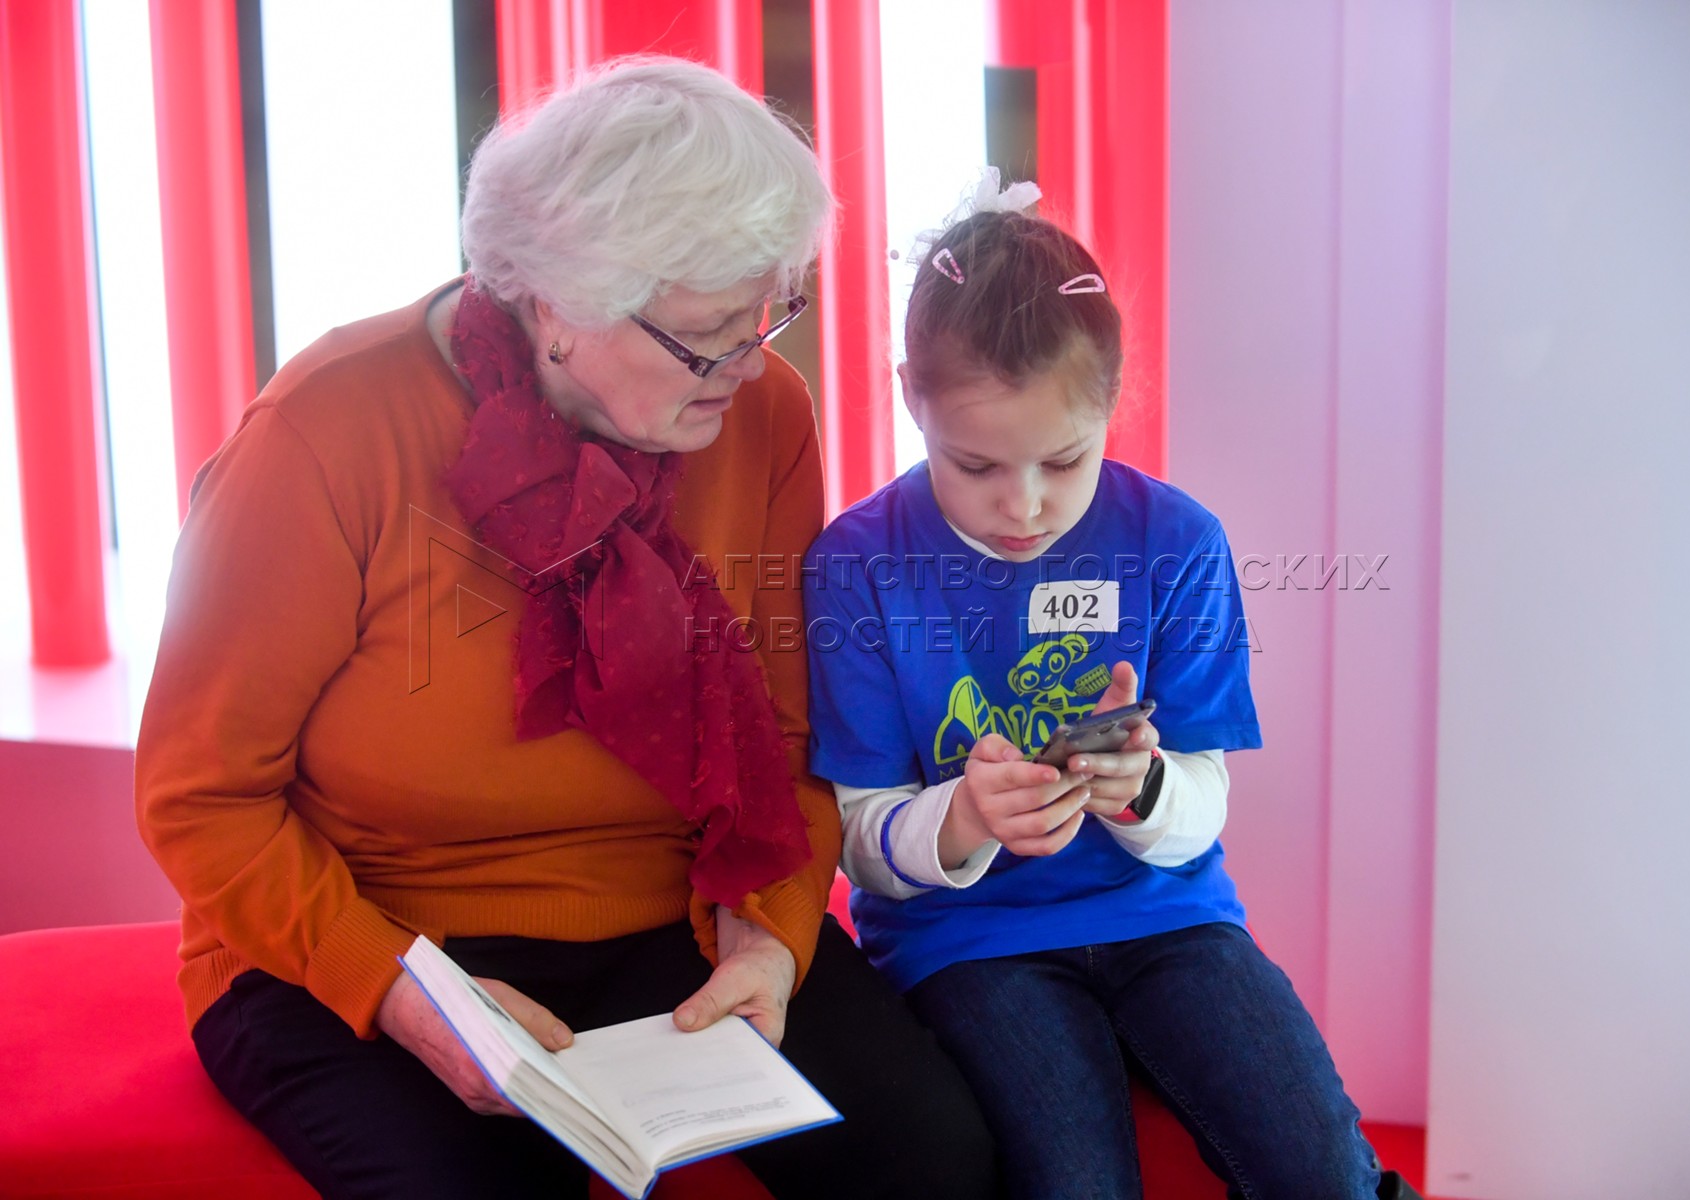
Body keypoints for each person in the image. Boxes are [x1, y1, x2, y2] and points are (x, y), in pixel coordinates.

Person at [135, 58, 997, 1200]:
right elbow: (199, 798)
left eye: (768, 312)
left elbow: (793, 736)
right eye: (707, 333)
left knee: (934, 1159)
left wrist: (772, 937)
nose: (751, 360)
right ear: (557, 303)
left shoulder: (763, 414)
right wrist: (400, 988)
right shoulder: (326, 431)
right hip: (369, 928)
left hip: (679, 914)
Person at [804, 182, 1420, 1200]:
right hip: (968, 943)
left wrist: (1144, 790)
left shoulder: (1176, 542)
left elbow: (1202, 806)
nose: (1024, 507)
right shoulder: (858, 565)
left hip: (1171, 919)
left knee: (1320, 1166)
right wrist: (962, 820)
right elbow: (861, 841)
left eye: (1064, 460)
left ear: (1113, 399)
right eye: (974, 465)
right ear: (911, 396)